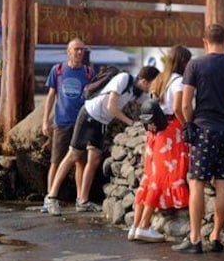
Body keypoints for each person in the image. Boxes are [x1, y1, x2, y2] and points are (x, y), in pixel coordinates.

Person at [173, 24, 224, 254]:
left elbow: (185, 104)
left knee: (197, 182)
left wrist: (189, 123)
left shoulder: (195, 65)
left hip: (204, 130)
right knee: (222, 183)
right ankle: (216, 236)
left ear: (204, 41)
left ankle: (195, 238)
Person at [44, 66, 160, 216]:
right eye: (151, 84)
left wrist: (157, 98)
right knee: (73, 154)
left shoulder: (137, 92)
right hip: (89, 115)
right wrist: (130, 123)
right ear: (144, 81)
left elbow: (151, 103)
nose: (150, 87)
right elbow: (110, 106)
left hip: (102, 122)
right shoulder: (124, 78)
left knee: (94, 160)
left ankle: (83, 200)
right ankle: (51, 196)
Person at [130, 45, 193, 243]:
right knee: (162, 178)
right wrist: (187, 126)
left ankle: (135, 225)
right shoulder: (179, 81)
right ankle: (144, 225)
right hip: (170, 131)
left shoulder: (159, 79)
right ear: (183, 62)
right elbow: (178, 107)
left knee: (149, 178)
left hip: (155, 132)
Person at [40, 38, 95, 214]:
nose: (79, 52)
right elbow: (51, 95)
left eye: (82, 50)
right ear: (68, 51)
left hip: (82, 123)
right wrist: (45, 120)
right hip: (62, 122)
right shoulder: (58, 70)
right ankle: (50, 198)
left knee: (80, 161)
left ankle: (81, 199)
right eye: (76, 49)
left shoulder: (88, 72)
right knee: (56, 161)